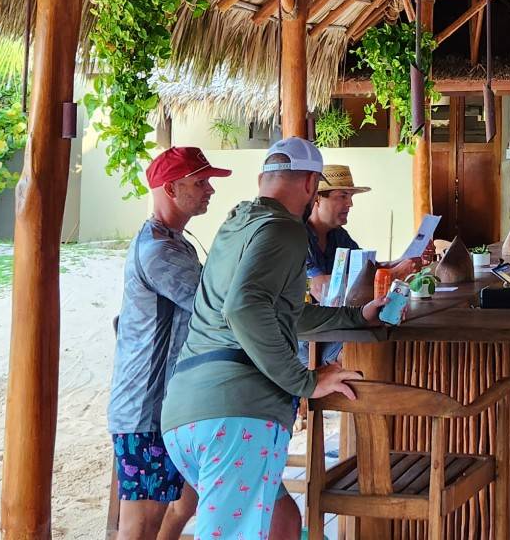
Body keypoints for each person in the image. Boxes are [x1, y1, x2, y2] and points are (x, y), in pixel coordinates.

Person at [161, 137, 386, 540]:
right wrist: (307, 381)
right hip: (235, 416)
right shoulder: (285, 229)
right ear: (310, 185)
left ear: (264, 177)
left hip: (186, 410)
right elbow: (244, 309)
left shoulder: (237, 224)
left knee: (282, 522)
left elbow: (279, 311)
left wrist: (354, 317)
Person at [108, 146, 225, 540]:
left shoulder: (173, 241)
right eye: (200, 182)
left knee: (183, 506)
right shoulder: (159, 250)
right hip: (147, 411)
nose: (210, 190)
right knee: (139, 529)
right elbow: (214, 308)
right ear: (171, 188)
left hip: (167, 406)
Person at [304, 163, 422, 302]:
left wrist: (406, 262)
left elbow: (367, 269)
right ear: (317, 198)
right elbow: (318, 288)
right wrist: (393, 273)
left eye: (350, 197)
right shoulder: (296, 236)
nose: (350, 204)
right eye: (343, 196)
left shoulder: (338, 235)